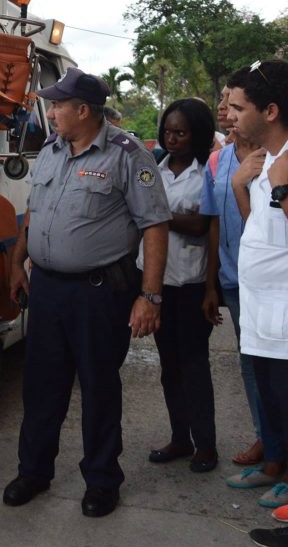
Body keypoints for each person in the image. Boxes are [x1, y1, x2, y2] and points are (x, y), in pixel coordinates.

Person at [3, 68, 171, 518]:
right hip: (48, 290)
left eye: (57, 105)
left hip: (99, 293)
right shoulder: (51, 152)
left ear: (83, 110)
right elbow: (34, 212)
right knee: (41, 387)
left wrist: (149, 296)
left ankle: (101, 480)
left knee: (98, 388)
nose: (51, 111)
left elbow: (154, 225)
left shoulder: (127, 154)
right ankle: (33, 472)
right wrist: (18, 260)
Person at [222, 61, 288, 547]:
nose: (229, 114)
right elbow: (259, 233)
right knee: (273, 401)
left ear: (270, 110)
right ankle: (278, 469)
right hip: (263, 311)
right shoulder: (264, 160)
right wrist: (241, 185)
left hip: (285, 314)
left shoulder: (285, 163)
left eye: (238, 107)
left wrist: (279, 183)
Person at [139, 98, 218, 472]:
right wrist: (172, 218)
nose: (172, 139)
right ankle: (179, 438)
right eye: (167, 132)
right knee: (169, 366)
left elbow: (202, 224)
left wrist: (159, 216)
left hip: (190, 283)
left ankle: (206, 444)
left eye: (181, 133)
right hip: (158, 284)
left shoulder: (207, 174)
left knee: (194, 366)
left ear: (197, 134)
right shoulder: (155, 169)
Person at [203, 83, 277, 477]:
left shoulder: (277, 160)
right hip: (235, 279)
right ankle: (267, 439)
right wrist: (212, 283)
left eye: (236, 106)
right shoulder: (219, 161)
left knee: (276, 368)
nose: (228, 113)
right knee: (252, 365)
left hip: (274, 287)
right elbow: (215, 224)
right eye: (225, 105)